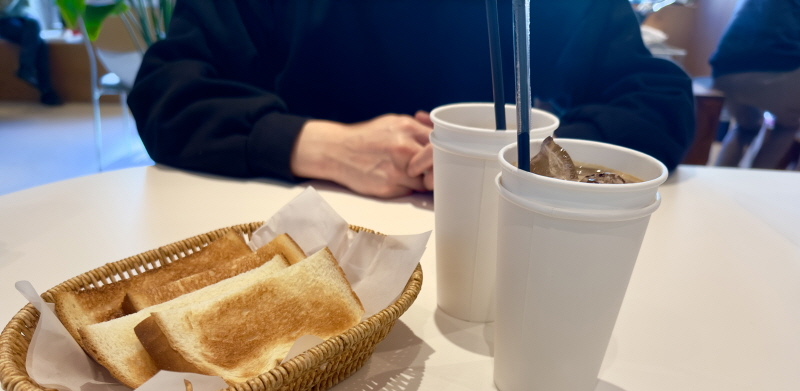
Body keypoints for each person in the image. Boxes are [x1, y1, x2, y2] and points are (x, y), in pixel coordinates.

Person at [128, 0, 695, 199]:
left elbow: (656, 99)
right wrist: (324, 146)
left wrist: (522, 158)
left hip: (513, 243)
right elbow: (166, 90)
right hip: (303, 227)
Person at [710, 0, 800, 169]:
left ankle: (719, 173)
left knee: (746, 126)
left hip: (724, 69)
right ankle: (758, 176)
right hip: (781, 68)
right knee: (787, 127)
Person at [0, 0, 62, 105]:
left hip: (20, 18)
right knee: (39, 42)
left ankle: (26, 69)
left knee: (36, 30)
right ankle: (46, 91)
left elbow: (25, 9)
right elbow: (3, 7)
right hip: (2, 20)